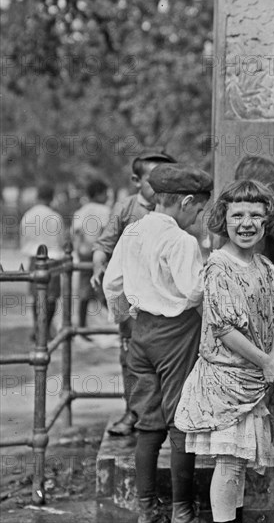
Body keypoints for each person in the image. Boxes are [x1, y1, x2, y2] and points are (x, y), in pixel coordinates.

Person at [103, 163, 213, 523]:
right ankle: (183, 510)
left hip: (141, 332)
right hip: (177, 333)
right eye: (197, 208)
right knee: (181, 419)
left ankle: (145, 509)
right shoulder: (182, 241)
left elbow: (112, 284)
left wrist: (125, 318)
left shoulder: (133, 231)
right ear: (184, 201)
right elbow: (193, 292)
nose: (198, 216)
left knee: (148, 423)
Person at [175, 180, 274, 523]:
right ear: (224, 219)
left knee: (238, 463)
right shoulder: (218, 267)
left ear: (267, 220)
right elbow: (224, 329)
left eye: (256, 215)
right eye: (237, 215)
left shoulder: (265, 266)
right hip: (226, 380)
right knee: (228, 463)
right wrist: (267, 362)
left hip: (255, 378)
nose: (247, 223)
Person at [92, 151, 176, 436]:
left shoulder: (175, 209)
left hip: (166, 298)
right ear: (136, 181)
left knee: (169, 355)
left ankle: (168, 417)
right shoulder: (126, 208)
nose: (161, 186)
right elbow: (103, 245)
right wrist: (98, 267)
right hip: (132, 300)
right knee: (132, 358)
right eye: (154, 180)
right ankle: (133, 413)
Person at [19, 183, 66, 340]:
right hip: (52, 259)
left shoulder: (28, 215)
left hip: (34, 258)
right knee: (51, 297)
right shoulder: (55, 216)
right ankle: (45, 329)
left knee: (36, 295)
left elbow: (23, 240)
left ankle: (38, 328)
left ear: (37, 196)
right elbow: (61, 241)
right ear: (51, 198)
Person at [71, 178, 111, 334]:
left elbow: (76, 233)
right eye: (106, 193)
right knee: (104, 289)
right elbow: (106, 233)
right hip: (99, 254)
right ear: (99, 194)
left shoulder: (81, 211)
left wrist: (79, 249)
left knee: (84, 291)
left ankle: (81, 327)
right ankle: (121, 322)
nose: (108, 197)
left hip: (84, 253)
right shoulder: (105, 211)